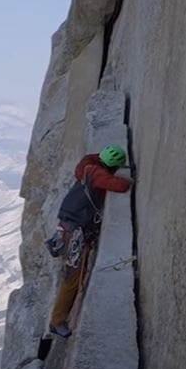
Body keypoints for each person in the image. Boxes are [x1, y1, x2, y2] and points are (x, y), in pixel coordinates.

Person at [46, 144, 132, 338]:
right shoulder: (98, 175)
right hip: (75, 233)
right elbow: (121, 185)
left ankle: (57, 319)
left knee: (70, 276)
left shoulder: (86, 167)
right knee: (72, 279)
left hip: (67, 228)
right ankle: (57, 322)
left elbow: (88, 158)